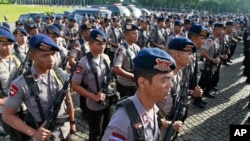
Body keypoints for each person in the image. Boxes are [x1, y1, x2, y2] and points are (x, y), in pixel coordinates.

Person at [3, 34, 76, 141]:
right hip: (45, 137)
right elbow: (7, 115)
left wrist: (72, 122)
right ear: (32, 56)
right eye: (45, 55)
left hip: (64, 131)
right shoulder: (21, 83)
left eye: (53, 54)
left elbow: (68, 100)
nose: (51, 59)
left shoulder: (59, 73)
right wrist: (33, 133)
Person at [102, 47, 182, 141]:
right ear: (143, 82)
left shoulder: (150, 106)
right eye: (164, 80)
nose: (171, 85)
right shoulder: (122, 124)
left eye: (171, 79)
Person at [71, 29, 113, 141]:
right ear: (90, 44)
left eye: (104, 43)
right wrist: (94, 97)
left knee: (107, 130)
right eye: (99, 44)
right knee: (95, 135)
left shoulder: (105, 58)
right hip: (94, 105)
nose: (102, 46)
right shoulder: (83, 62)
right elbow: (74, 85)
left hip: (107, 101)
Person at [157, 37, 203, 139]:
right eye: (189, 54)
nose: (192, 57)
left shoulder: (179, 73)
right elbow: (144, 108)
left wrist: (191, 93)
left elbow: (178, 93)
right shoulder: (160, 77)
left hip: (170, 123)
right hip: (157, 128)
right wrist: (165, 123)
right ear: (177, 55)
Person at [0, 28, 24, 139]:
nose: (8, 47)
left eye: (10, 44)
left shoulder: (17, 59)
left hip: (22, 106)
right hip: (4, 108)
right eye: (4, 44)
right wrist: (2, 101)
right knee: (15, 136)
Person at [199, 23, 226, 98]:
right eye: (222, 30)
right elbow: (203, 52)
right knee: (202, 83)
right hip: (208, 66)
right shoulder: (210, 40)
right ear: (217, 30)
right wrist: (213, 60)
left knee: (207, 81)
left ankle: (205, 93)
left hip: (212, 66)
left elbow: (215, 52)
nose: (223, 32)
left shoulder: (216, 39)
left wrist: (221, 56)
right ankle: (197, 99)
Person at [113, 24, 140, 98]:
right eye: (134, 33)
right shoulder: (122, 49)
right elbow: (116, 69)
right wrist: (131, 76)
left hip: (135, 84)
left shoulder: (136, 47)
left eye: (137, 33)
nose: (137, 35)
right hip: (125, 85)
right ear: (127, 34)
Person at [187, 24, 210, 108]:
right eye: (202, 39)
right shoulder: (185, 54)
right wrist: (191, 92)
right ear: (193, 39)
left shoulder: (194, 51)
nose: (204, 42)